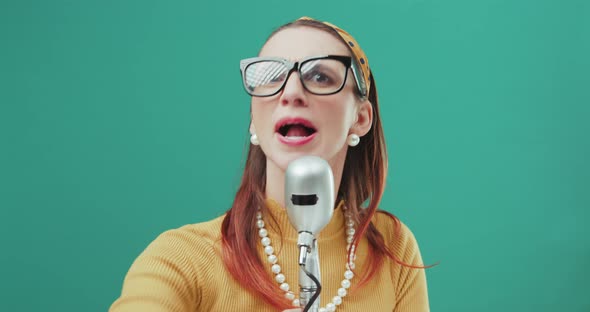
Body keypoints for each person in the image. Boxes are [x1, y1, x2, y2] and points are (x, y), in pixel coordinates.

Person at [110, 16, 429, 312]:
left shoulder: (392, 249)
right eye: (271, 75)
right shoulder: (182, 258)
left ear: (360, 118)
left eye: (320, 76)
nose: (291, 92)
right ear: (253, 120)